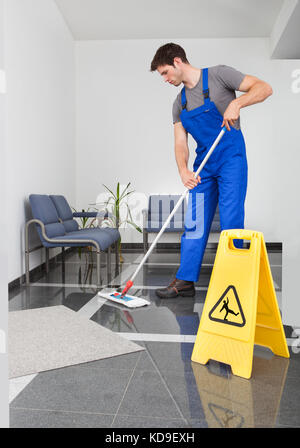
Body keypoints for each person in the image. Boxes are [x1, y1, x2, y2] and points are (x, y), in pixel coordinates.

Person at [150, 43, 272, 299]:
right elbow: (180, 142)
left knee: (231, 221)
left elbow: (264, 88)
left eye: (164, 73)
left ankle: (234, 281)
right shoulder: (178, 103)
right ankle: (184, 280)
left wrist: (238, 102)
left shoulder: (219, 75)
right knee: (195, 223)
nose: (165, 79)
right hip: (203, 164)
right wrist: (183, 170)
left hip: (231, 158)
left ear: (177, 62)